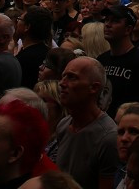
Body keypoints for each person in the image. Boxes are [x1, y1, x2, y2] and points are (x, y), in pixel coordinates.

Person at [51, 56, 119, 189]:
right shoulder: (64, 125)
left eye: (71, 77)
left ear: (93, 88)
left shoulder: (108, 137)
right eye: (63, 76)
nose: (62, 83)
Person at [99, 5, 139, 114]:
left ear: (128, 29)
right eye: (106, 20)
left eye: (115, 21)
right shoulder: (101, 60)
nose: (108, 25)